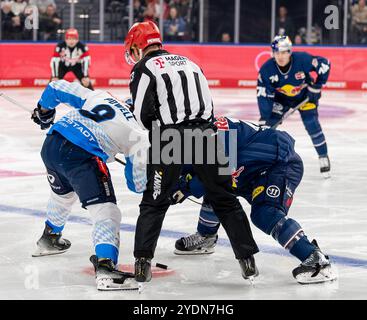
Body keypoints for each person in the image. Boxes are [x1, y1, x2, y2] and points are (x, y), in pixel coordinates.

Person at [124, 21, 259, 283]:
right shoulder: (190, 62)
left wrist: (159, 139)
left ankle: (142, 262)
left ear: (139, 46)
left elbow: (141, 116)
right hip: (207, 136)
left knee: (154, 201)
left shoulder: (143, 67)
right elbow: (207, 106)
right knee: (224, 199)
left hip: (170, 138)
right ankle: (247, 260)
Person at [170, 116, 337, 285]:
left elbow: (221, 169)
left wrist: (186, 188)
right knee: (216, 190)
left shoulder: (219, 129)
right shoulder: (186, 141)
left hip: (277, 166)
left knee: (265, 213)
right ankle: (206, 235)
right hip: (246, 173)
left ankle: (315, 259)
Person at [30, 80, 149, 291]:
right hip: (81, 156)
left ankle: (49, 238)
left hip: (52, 145)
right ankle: (105, 268)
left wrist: (44, 111)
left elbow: (56, 87)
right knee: (107, 211)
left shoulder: (104, 97)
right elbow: (137, 185)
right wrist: (129, 156)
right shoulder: (139, 133)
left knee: (63, 195)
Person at [257, 35, 331, 177]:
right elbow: (263, 94)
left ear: (290, 52)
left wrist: (316, 87)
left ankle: (323, 156)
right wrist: (265, 116)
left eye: (284, 52)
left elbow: (325, 64)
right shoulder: (266, 70)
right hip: (282, 99)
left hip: (304, 97)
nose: (281, 56)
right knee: (268, 127)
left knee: (312, 124)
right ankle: (261, 161)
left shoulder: (302, 59)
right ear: (272, 53)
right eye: (277, 53)